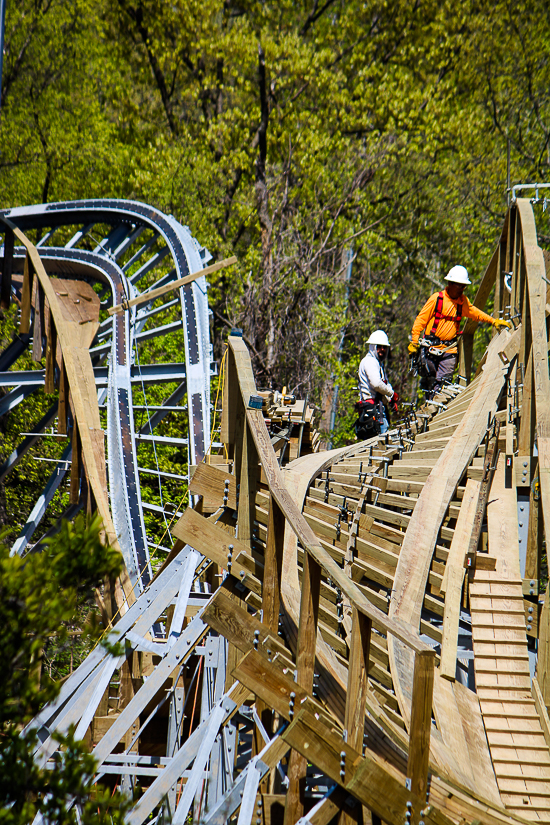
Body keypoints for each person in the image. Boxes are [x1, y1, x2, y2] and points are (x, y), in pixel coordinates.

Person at [408, 265, 511, 395]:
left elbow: (476, 313)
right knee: (429, 384)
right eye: (459, 285)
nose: (462, 289)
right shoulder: (437, 299)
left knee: (443, 386)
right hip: (431, 350)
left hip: (449, 351)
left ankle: (439, 409)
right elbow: (420, 321)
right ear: (450, 283)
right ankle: (430, 403)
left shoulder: (462, 303)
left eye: (464, 286)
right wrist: (415, 341)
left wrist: (493, 321)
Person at [355, 330, 398, 439]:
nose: (382, 350)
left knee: (380, 441)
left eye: (384, 347)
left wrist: (390, 399)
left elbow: (384, 383)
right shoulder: (370, 361)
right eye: (379, 347)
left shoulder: (378, 364)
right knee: (380, 443)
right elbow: (376, 384)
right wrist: (392, 394)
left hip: (376, 408)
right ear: (373, 347)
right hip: (372, 409)